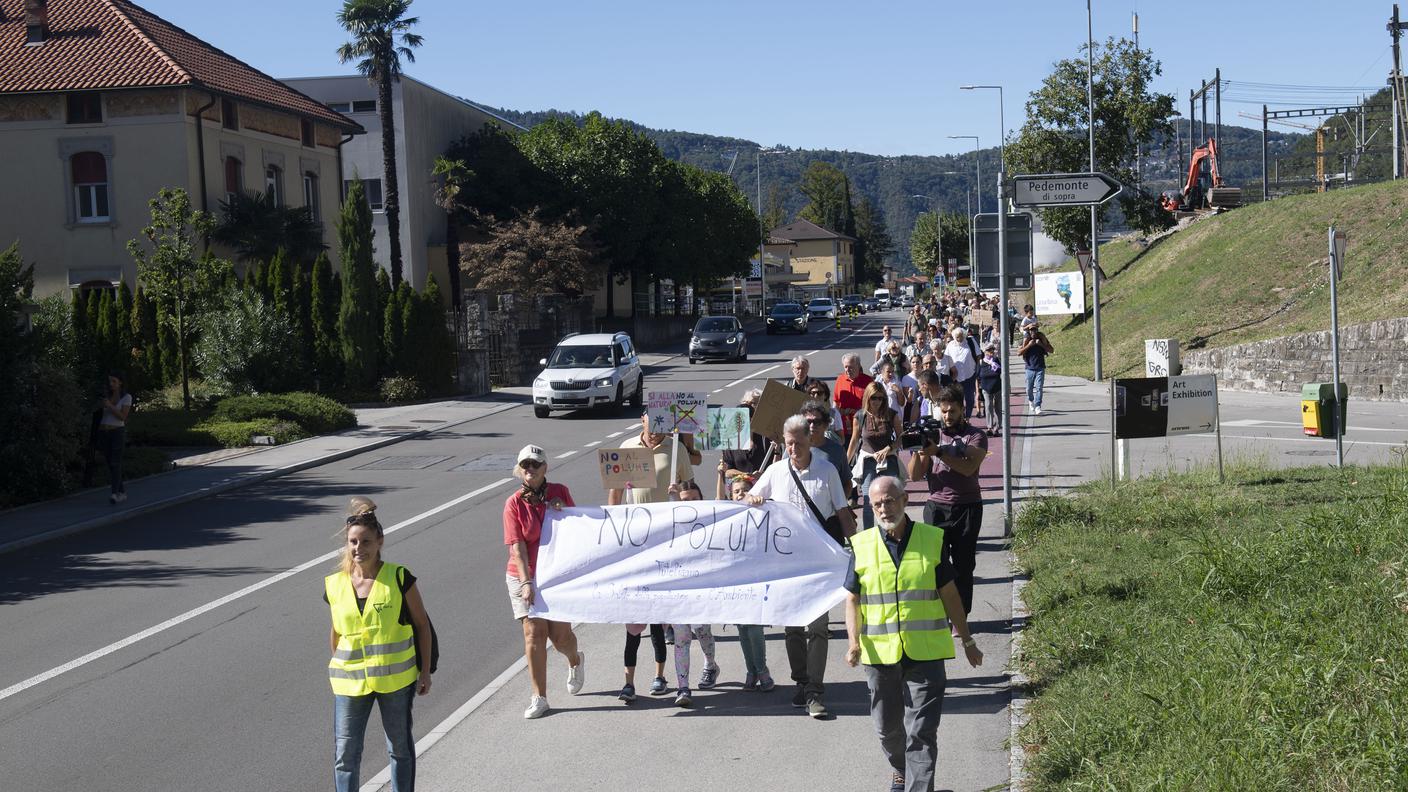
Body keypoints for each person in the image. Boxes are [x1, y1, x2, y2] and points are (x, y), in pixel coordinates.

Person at [846, 477, 983, 792]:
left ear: (905, 500)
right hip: (879, 654)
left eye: (890, 500)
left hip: (926, 653)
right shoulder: (861, 545)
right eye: (878, 503)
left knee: (921, 732)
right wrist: (853, 643)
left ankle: (918, 787)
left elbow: (949, 594)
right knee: (887, 729)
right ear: (871, 506)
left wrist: (967, 639)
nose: (884, 508)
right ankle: (900, 769)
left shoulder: (932, 539)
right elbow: (852, 598)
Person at [745, 415, 857, 719]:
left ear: (810, 439)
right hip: (787, 565)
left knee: (818, 627)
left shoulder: (827, 470)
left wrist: (860, 550)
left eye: (798, 442)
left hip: (820, 564)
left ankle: (814, 690)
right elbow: (748, 499)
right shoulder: (775, 471)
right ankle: (801, 681)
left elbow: (843, 512)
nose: (793, 448)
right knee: (793, 626)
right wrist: (752, 497)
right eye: (788, 442)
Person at [326, 497, 433, 792]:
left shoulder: (399, 578)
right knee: (345, 755)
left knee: (399, 748)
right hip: (349, 683)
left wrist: (424, 673)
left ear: (380, 542)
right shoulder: (335, 584)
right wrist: (338, 668)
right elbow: (336, 632)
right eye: (353, 542)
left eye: (365, 541)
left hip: (395, 680)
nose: (358, 548)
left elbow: (422, 625)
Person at [608, 412, 695, 701]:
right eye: (651, 423)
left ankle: (660, 676)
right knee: (634, 618)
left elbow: (691, 490)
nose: (656, 430)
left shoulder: (676, 448)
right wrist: (614, 528)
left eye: (662, 425)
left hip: (667, 541)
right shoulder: (627, 448)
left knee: (659, 616)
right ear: (642, 420)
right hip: (637, 543)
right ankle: (628, 681)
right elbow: (615, 493)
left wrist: (680, 493)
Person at [504, 445, 584, 719]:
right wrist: (526, 582)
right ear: (519, 469)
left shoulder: (559, 492)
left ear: (545, 468)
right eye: (525, 465)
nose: (530, 469)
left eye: (535, 464)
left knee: (560, 637)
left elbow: (578, 528)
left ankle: (575, 659)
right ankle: (539, 697)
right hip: (523, 573)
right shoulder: (514, 502)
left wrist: (562, 513)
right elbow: (517, 547)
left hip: (555, 573)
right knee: (534, 633)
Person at [906, 383, 988, 615]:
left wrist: (939, 452)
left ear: (962, 409)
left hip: (967, 506)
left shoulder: (975, 436)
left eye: (952, 411)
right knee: (935, 564)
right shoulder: (932, 434)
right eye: (943, 411)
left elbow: (968, 467)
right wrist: (920, 451)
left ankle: (960, 615)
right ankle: (939, 612)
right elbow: (914, 476)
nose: (947, 416)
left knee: (963, 565)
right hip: (936, 507)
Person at [714, 468, 777, 692]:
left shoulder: (759, 509)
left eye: (744, 491)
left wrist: (759, 499)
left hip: (755, 576)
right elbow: (716, 503)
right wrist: (721, 476)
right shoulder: (727, 513)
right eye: (736, 492)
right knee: (742, 626)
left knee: (754, 625)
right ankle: (751, 671)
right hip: (734, 578)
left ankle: (762, 670)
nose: (740, 495)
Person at [846, 382, 903, 529]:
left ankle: (894, 531)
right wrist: (845, 464)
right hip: (868, 461)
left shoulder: (891, 414)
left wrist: (888, 449)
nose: (877, 401)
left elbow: (901, 437)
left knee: (892, 498)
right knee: (868, 500)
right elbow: (854, 440)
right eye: (873, 398)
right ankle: (869, 534)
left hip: (888, 459)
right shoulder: (860, 416)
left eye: (880, 398)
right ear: (867, 398)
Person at [800, 399, 855, 503]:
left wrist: (839, 505)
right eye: (808, 422)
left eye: (817, 422)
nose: (812, 426)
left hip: (829, 514)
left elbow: (847, 483)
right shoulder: (795, 447)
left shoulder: (837, 450)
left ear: (826, 425)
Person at [98, 372, 132, 504]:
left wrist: (110, 406)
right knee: (110, 464)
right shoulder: (107, 397)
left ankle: (114, 493)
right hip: (104, 432)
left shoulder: (126, 397)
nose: (111, 384)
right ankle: (122, 492)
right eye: (110, 382)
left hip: (117, 432)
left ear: (120, 383)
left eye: (114, 381)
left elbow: (123, 416)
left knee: (115, 462)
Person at [1017, 320, 1054, 415]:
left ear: (1037, 330)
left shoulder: (1041, 339)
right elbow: (1019, 353)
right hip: (1029, 367)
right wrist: (1029, 345)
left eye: (1034, 330)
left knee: (1039, 388)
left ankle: (1038, 406)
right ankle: (1031, 400)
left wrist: (1041, 344)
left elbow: (1051, 350)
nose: (1033, 332)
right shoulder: (1026, 340)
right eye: (1031, 330)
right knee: (1029, 388)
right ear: (1029, 331)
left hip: (1040, 367)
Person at [833, 353, 874, 439]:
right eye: (845, 367)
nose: (848, 370)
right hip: (844, 427)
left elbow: (874, 404)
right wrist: (835, 418)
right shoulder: (840, 379)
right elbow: (836, 402)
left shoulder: (868, 381)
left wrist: (857, 411)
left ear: (858, 366)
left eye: (851, 367)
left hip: (863, 426)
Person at [945, 326, 980, 419]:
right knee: (957, 400)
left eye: (961, 336)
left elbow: (978, 355)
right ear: (954, 337)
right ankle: (960, 417)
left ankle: (967, 417)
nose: (959, 339)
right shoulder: (950, 345)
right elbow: (946, 359)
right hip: (956, 378)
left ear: (964, 335)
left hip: (969, 376)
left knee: (970, 399)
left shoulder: (970, 342)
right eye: (957, 337)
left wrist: (976, 368)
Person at [977, 342, 1004, 437]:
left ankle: (997, 428)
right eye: (989, 350)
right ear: (985, 352)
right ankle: (989, 427)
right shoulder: (981, 362)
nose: (991, 351)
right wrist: (978, 390)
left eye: (992, 349)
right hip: (986, 388)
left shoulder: (996, 360)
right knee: (988, 407)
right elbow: (978, 375)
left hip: (997, 387)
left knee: (998, 408)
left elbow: (1001, 371)